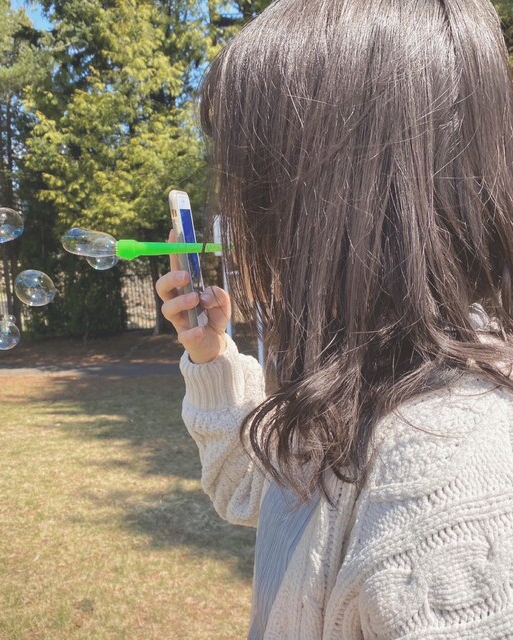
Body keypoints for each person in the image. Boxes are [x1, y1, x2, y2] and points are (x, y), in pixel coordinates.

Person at [156, 0, 513, 638]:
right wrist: (212, 356)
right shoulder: (361, 383)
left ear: (338, 199)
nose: (245, 218)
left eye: (257, 184)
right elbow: (252, 487)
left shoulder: (458, 489)